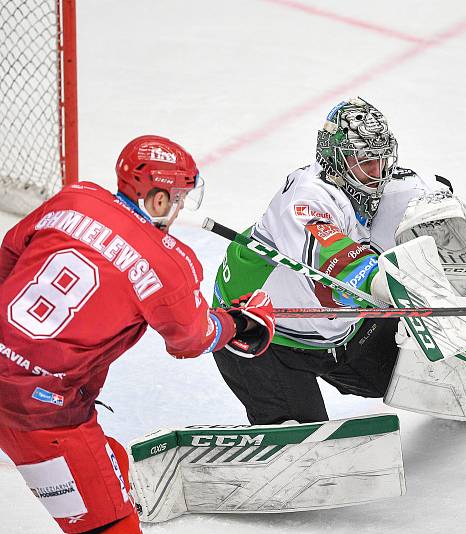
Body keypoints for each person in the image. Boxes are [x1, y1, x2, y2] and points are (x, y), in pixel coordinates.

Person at [211, 97, 466, 429]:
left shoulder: (398, 187)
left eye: (383, 160)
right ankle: (283, 430)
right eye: (365, 162)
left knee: (404, 373)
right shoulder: (304, 198)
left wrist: (460, 258)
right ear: (334, 161)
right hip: (260, 335)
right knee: (303, 439)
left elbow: (439, 214)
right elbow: (333, 258)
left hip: (342, 331)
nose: (377, 173)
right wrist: (383, 280)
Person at [0, 135, 275, 533]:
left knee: (108, 457)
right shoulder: (168, 264)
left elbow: (8, 257)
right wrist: (242, 322)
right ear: (158, 199)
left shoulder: (75, 198)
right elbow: (191, 339)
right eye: (178, 196)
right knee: (113, 526)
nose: (179, 207)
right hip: (40, 413)